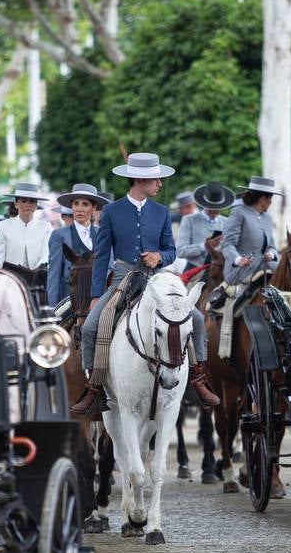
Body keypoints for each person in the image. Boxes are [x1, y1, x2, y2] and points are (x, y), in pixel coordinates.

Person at [71, 152, 220, 415]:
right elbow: (102, 255)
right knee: (92, 327)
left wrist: (159, 256)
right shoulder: (111, 212)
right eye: (156, 180)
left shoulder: (162, 212)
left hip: (157, 279)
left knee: (196, 319)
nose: (160, 185)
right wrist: (96, 294)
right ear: (140, 180)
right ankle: (94, 388)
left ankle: (198, 379)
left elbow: (171, 251)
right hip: (122, 278)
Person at [47, 183, 105, 307]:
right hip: (69, 303)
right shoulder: (58, 235)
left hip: (98, 301)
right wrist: (53, 309)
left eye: (85, 204)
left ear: (94, 208)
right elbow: (54, 275)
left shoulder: (102, 234)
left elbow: (109, 269)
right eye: (76, 203)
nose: (79, 209)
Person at [221, 177, 281, 286]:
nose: (271, 202)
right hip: (241, 271)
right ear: (263, 199)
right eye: (270, 199)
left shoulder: (268, 218)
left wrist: (271, 254)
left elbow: (272, 246)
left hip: (267, 267)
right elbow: (227, 245)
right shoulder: (238, 213)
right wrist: (238, 259)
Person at [0, 183, 50, 273]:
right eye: (23, 201)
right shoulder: (4, 226)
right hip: (10, 279)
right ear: (16, 204)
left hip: (38, 279)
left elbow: (46, 255)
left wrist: (37, 272)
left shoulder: (45, 227)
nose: (28, 204)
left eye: (32, 201)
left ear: (36, 205)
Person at [178, 182, 231, 266]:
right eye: (211, 207)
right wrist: (204, 246)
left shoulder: (227, 222)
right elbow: (180, 251)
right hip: (195, 270)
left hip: (220, 271)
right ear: (204, 204)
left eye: (217, 207)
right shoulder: (189, 220)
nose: (214, 210)